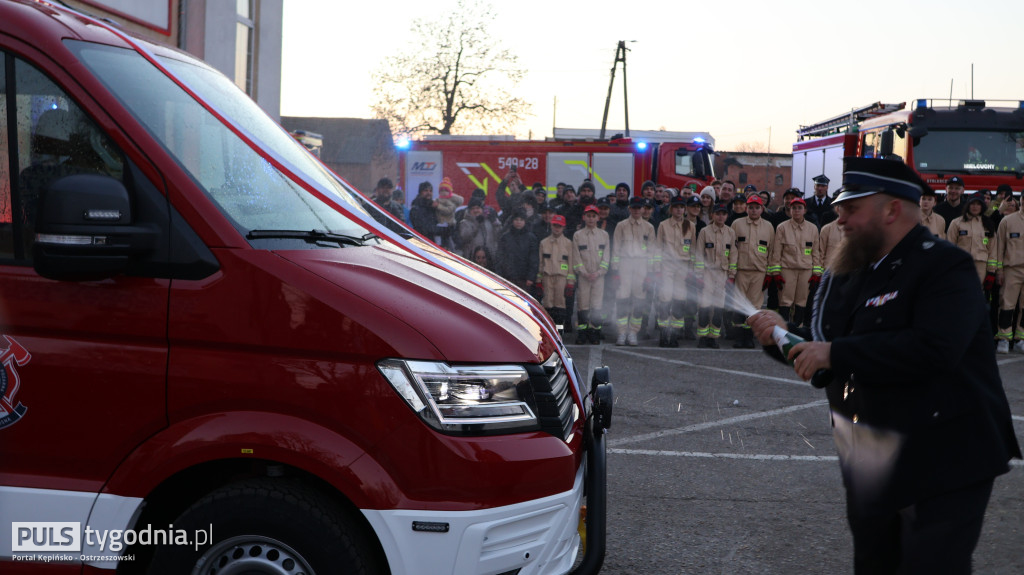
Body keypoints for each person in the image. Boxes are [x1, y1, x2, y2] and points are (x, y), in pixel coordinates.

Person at [748, 157, 1021, 575]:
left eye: (851, 208)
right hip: (871, 456)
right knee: (875, 564)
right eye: (839, 208)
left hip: (944, 456)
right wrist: (782, 336)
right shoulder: (852, 270)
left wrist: (834, 354)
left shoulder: (944, 265)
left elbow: (933, 349)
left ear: (892, 210)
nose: (840, 219)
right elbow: (831, 345)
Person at [768, 197, 821, 327]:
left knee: (802, 300)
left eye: (799, 208)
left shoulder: (813, 228)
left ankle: (798, 328)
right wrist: (776, 272)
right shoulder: (782, 227)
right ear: (789, 210)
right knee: (785, 300)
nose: (796, 210)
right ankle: (784, 328)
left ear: (805, 210)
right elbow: (777, 251)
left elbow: (815, 252)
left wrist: (816, 273)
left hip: (806, 270)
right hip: (787, 269)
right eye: (793, 208)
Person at [730, 194, 775, 348]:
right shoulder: (737, 224)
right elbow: (732, 248)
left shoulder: (768, 227)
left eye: (757, 207)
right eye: (751, 207)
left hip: (759, 272)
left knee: (754, 306)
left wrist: (769, 273)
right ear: (746, 208)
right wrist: (732, 270)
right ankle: (738, 338)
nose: (754, 210)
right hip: (741, 271)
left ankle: (748, 337)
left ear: (762, 209)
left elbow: (772, 251)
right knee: (739, 304)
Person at [610, 196, 656, 346]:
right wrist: (615, 271)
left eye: (639, 208)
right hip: (624, 264)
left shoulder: (649, 228)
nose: (636, 210)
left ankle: (633, 332)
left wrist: (649, 273)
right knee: (622, 299)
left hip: (641, 266)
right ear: (629, 209)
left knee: (639, 301)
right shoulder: (621, 226)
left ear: (643, 209)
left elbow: (652, 252)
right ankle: (622, 332)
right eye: (634, 208)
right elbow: (616, 249)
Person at [653, 196, 696, 347]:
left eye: (681, 207)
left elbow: (693, 250)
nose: (679, 210)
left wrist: (692, 271)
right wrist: (657, 269)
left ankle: (675, 334)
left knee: (679, 299)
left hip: (683, 267)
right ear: (671, 209)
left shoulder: (690, 226)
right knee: (665, 298)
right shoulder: (663, 225)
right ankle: (664, 333)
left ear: (685, 209)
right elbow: (658, 248)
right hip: (667, 265)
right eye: (676, 207)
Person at [693, 203, 737, 348]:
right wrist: (699, 276)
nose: (720, 216)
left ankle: (713, 338)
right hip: (707, 273)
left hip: (722, 274)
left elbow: (733, 255)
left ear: (727, 216)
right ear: (712, 215)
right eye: (717, 213)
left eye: (723, 214)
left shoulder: (730, 233)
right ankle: (703, 337)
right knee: (705, 306)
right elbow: (699, 254)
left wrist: (731, 276)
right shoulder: (705, 232)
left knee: (718, 307)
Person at [572, 205, 611, 344]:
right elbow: (576, 256)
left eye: (594, 216)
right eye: (588, 216)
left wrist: (599, 272)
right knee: (582, 305)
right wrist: (584, 272)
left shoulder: (604, 235)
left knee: (596, 305)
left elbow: (606, 256)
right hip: (584, 277)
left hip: (599, 277)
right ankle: (582, 333)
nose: (591, 219)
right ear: (584, 217)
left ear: (598, 218)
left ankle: (594, 332)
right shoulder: (578, 235)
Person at [993, 193, 1024, 353]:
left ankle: (1021, 338)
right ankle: (1004, 338)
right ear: (1021, 200)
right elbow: (999, 247)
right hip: (1012, 268)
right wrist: (999, 271)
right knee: (1007, 304)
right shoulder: (1007, 221)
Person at [946, 192, 997, 285]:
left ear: (982, 206)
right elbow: (950, 246)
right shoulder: (956, 223)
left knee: (977, 292)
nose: (975, 207)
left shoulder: (988, 224)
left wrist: (991, 272)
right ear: (968, 205)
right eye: (972, 204)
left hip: (981, 266)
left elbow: (992, 250)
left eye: (978, 204)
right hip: (961, 264)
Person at [537, 215, 576, 334]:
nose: (557, 228)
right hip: (547, 276)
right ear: (551, 226)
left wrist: (570, 283)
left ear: (563, 227)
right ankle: (549, 331)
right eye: (555, 225)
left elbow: (571, 263)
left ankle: (559, 331)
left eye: (559, 226)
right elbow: (541, 262)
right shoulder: (544, 243)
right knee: (548, 303)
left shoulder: (568, 243)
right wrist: (538, 281)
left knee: (560, 304)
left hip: (561, 277)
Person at [496, 210, 539, 295]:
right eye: (516, 219)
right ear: (512, 221)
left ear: (525, 221)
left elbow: (534, 259)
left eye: (521, 220)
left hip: (524, 278)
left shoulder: (531, 238)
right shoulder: (505, 237)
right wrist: (500, 275)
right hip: (508, 277)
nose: (519, 222)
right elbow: (500, 257)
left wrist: (531, 277)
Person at [435, 177, 464, 250]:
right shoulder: (437, 200)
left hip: (450, 226)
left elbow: (449, 209)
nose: (443, 192)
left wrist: (439, 206)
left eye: (446, 190)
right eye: (442, 190)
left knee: (449, 245)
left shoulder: (451, 202)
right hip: (439, 226)